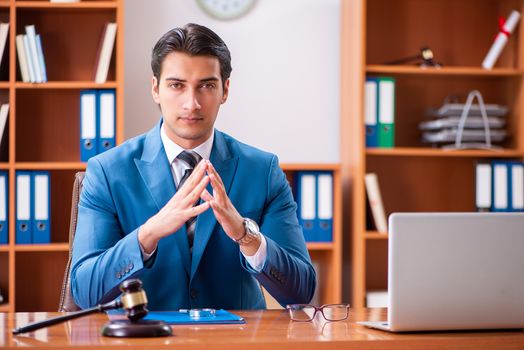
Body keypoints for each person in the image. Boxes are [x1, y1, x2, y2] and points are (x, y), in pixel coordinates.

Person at [71, 23, 316, 310]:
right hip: (146, 338)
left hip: (235, 341)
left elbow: (301, 291)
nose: (192, 103)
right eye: (177, 85)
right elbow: (85, 292)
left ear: (225, 90)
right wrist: (148, 234)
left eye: (207, 86)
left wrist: (245, 236)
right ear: (155, 89)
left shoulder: (263, 170)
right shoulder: (107, 172)